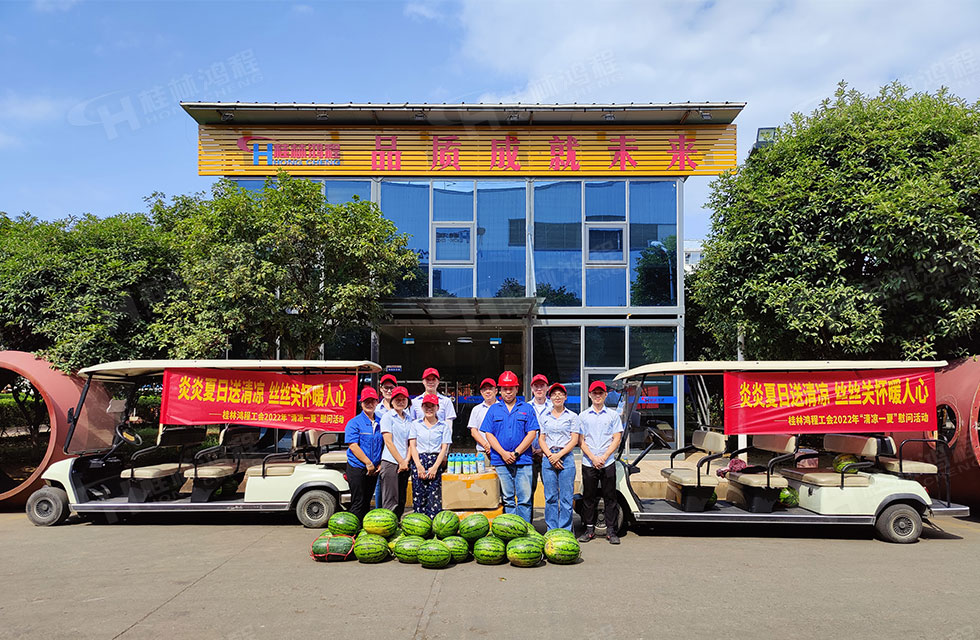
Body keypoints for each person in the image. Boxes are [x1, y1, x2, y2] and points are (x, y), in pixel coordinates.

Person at [480, 371, 539, 524]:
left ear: (516, 389)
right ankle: (511, 530)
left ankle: (524, 529)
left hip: (524, 460)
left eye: (511, 388)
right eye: (505, 388)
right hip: (501, 461)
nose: (508, 391)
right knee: (507, 499)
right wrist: (504, 453)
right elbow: (489, 434)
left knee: (525, 499)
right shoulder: (494, 409)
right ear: (500, 389)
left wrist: (517, 452)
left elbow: (532, 433)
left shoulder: (526, 408)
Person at [577, 380, 624, 544]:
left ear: (605, 395)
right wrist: (593, 457)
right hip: (589, 462)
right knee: (588, 497)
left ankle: (611, 531)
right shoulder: (583, 416)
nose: (597, 396)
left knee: (610, 496)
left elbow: (616, 438)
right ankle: (589, 529)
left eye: (600, 393)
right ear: (590, 395)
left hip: (608, 461)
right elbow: (581, 441)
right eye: (594, 393)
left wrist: (604, 457)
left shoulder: (612, 415)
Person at [538, 382, 581, 531]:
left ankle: (565, 531)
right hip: (548, 458)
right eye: (554, 394)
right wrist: (551, 456)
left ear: (565, 397)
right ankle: (552, 530)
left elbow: (574, 439)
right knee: (550, 497)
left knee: (566, 498)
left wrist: (559, 455)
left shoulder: (573, 416)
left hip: (566, 457)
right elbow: (541, 439)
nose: (557, 396)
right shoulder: (544, 416)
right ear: (550, 397)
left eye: (560, 394)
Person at [408, 393, 452, 517]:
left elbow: (444, 448)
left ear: (437, 408)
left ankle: (433, 528)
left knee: (434, 497)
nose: (429, 409)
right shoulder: (415, 424)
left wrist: (435, 467)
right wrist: (418, 466)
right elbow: (413, 446)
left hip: (435, 460)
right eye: (426, 406)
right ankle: (419, 526)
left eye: (432, 406)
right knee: (419, 496)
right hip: (419, 460)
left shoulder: (443, 426)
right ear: (422, 408)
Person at [344, 386, 384, 521]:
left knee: (367, 501)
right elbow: (353, 446)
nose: (370, 404)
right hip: (358, 468)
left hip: (374, 468)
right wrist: (368, 463)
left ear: (377, 402)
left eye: (373, 401)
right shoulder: (354, 423)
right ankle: (353, 532)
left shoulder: (381, 421)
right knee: (358, 502)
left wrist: (379, 464)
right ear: (361, 403)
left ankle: (364, 531)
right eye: (366, 401)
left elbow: (385, 442)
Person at [379, 386, 412, 518]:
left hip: (405, 462)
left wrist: (406, 461)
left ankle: (397, 524)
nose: (400, 401)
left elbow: (411, 442)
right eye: (397, 399)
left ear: (407, 402)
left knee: (401, 498)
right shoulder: (387, 417)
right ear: (391, 401)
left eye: (403, 399)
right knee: (390, 499)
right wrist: (400, 461)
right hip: (391, 462)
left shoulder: (409, 419)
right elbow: (388, 442)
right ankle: (387, 526)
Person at [528, 373, 551, 522]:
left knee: (550, 494)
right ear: (531, 388)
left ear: (547, 388)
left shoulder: (554, 406)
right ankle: (528, 525)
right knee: (528, 493)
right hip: (528, 456)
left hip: (548, 456)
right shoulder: (525, 407)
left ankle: (552, 526)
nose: (539, 388)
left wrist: (544, 450)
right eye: (536, 386)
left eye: (542, 385)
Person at [373, 373, 398, 508]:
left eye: (392, 388)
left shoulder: (401, 407)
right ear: (381, 389)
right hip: (381, 450)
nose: (389, 391)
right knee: (380, 482)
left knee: (395, 484)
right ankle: (379, 513)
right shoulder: (376, 409)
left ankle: (394, 514)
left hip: (398, 451)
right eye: (386, 387)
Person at [467, 378, 497, 465]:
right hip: (482, 453)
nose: (487, 391)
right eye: (484, 389)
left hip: (501, 452)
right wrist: (486, 445)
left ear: (496, 391)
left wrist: (495, 447)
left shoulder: (502, 408)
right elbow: (474, 431)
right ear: (481, 392)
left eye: (490, 389)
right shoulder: (476, 409)